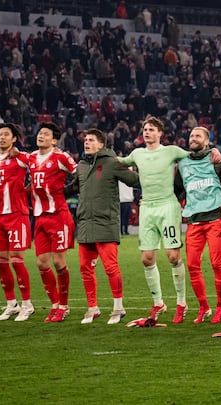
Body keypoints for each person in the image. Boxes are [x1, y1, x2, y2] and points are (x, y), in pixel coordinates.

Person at [118, 115, 209, 324]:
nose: (147, 132)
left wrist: (215, 153)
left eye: (151, 129)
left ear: (160, 133)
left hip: (167, 206)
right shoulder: (137, 154)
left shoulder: (171, 151)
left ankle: (181, 303)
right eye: (145, 130)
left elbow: (197, 154)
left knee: (173, 257)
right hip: (147, 208)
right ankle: (158, 302)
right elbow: (119, 162)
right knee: (147, 258)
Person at [76, 128, 140, 324]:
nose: (86, 143)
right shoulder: (82, 166)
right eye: (85, 140)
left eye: (91, 140)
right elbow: (73, 187)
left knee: (110, 267)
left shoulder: (111, 163)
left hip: (105, 222)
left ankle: (118, 307)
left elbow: (135, 180)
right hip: (86, 223)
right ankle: (92, 307)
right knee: (85, 268)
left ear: (101, 144)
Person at [175, 125, 221, 324]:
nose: (193, 138)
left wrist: (220, 155)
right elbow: (177, 189)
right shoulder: (183, 164)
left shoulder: (216, 160)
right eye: (191, 135)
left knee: (216, 264)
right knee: (192, 266)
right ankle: (204, 307)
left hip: (215, 219)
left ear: (207, 141)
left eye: (198, 136)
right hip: (194, 221)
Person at [29, 121, 78, 323]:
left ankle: (64, 305)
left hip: (59, 215)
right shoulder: (31, 157)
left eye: (46, 134)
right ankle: (55, 304)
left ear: (54, 140)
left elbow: (79, 173)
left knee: (59, 262)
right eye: (40, 133)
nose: (41, 136)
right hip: (40, 217)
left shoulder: (60, 156)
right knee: (41, 263)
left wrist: (69, 190)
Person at [0, 122, 36, 322]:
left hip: (17, 214)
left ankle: (27, 304)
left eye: (6, 135)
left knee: (17, 261)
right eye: (0, 134)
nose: (2, 138)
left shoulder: (20, 157)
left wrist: (27, 190)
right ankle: (11, 304)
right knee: (0, 262)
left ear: (14, 139)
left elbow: (39, 166)